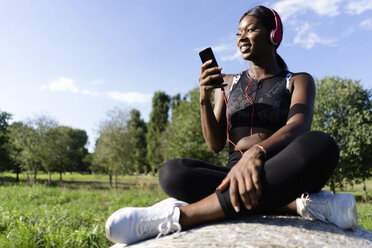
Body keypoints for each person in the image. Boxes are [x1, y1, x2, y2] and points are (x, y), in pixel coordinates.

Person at [105, 5, 358, 245]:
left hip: (279, 170)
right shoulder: (226, 83)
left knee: (322, 145)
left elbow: (299, 125)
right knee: (173, 172)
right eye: (238, 33)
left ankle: (183, 216)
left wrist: (257, 153)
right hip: (232, 175)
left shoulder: (298, 80)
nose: (242, 38)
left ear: (274, 34)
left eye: (250, 30)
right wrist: (204, 99)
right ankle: (291, 205)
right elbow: (215, 144)